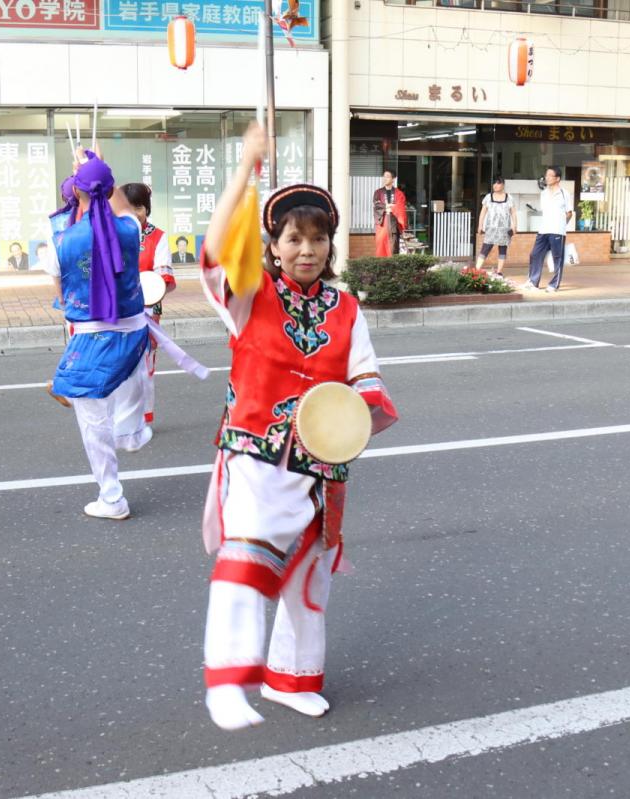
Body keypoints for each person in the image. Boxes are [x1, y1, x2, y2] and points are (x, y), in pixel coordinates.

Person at [198, 124, 398, 731]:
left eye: (318, 239)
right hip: (256, 458)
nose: (306, 250)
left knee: (309, 585)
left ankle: (290, 680)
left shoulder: (346, 307)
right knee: (247, 559)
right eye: (293, 238)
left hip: (320, 468)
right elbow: (213, 251)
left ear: (330, 246)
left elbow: (364, 375)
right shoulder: (249, 295)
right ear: (275, 245)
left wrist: (354, 417)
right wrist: (244, 169)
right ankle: (227, 679)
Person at [44, 151, 150, 520]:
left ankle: (112, 497)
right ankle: (132, 434)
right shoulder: (132, 228)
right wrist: (98, 169)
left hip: (91, 338)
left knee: (92, 420)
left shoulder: (61, 240)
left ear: (76, 191)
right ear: (108, 188)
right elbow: (121, 207)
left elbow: (61, 296)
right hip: (134, 332)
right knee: (130, 385)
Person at [121, 182, 175, 426]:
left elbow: (164, 279)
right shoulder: (113, 233)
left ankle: (142, 417)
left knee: (144, 364)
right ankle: (122, 415)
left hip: (146, 310)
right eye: (128, 208)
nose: (134, 214)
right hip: (118, 310)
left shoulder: (158, 237)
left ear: (147, 208)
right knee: (119, 363)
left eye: (139, 207)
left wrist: (149, 290)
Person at [523, 167, 572, 293]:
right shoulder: (543, 193)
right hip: (543, 229)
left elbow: (569, 213)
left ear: (557, 178)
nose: (547, 177)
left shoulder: (564, 193)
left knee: (557, 258)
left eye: (550, 175)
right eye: (546, 175)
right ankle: (533, 282)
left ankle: (554, 284)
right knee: (535, 254)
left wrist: (561, 225)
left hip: (557, 231)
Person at [476, 175, 517, 277]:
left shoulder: (509, 198)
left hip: (504, 229)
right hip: (491, 228)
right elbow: (483, 212)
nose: (495, 185)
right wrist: (480, 225)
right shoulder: (488, 197)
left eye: (498, 183)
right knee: (485, 248)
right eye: (494, 183)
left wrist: (514, 226)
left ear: (503, 185)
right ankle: (476, 270)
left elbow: (513, 213)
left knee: (503, 249)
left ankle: (499, 271)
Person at [373, 170, 406, 257]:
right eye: (384, 176)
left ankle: (392, 265)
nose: (385, 178)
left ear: (393, 179)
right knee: (381, 247)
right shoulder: (378, 192)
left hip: (393, 225)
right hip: (382, 225)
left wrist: (390, 208)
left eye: (387, 176)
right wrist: (388, 206)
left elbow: (400, 207)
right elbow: (376, 205)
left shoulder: (399, 193)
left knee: (393, 248)